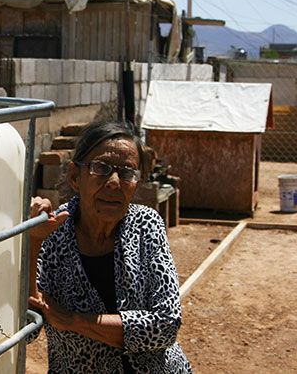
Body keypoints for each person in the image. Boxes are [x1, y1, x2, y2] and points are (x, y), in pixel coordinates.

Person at [28, 121, 192, 373]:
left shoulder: (146, 224)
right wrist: (33, 241)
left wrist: (73, 320)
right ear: (75, 176)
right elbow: (29, 326)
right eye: (101, 168)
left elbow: (166, 324)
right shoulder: (51, 233)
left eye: (127, 172)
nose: (115, 182)